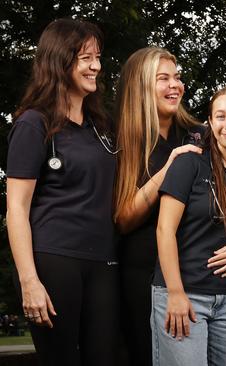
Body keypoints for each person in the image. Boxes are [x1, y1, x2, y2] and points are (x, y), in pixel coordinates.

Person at [6, 18, 119, 365]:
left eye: (98, 57)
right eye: (86, 58)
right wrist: (29, 281)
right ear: (60, 59)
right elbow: (16, 209)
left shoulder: (101, 128)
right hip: (54, 261)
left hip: (103, 263)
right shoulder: (33, 123)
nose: (96, 66)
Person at [151, 86, 226, 366]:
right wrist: (175, 293)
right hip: (184, 293)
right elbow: (164, 230)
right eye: (220, 116)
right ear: (210, 123)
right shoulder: (189, 163)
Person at [113, 47, 203, 366]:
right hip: (140, 279)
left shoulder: (199, 136)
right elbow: (123, 219)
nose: (174, 85)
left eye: (176, 77)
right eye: (162, 78)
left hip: (194, 273)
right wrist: (169, 170)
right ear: (141, 87)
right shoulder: (122, 142)